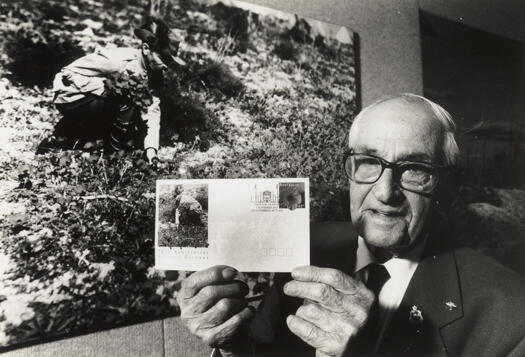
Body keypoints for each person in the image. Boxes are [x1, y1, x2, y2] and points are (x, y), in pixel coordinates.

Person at [176, 94, 525, 356]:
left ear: (447, 188)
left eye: (415, 170)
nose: (386, 193)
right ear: (352, 171)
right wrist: (232, 343)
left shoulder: (509, 315)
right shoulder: (307, 248)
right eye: (368, 162)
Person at [37, 17, 185, 163]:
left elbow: (152, 109)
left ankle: (88, 138)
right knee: (126, 94)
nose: (166, 65)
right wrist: (108, 88)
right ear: (146, 49)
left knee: (127, 97)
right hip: (70, 97)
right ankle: (109, 154)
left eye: (169, 61)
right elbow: (68, 72)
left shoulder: (156, 74)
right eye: (163, 58)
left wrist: (151, 150)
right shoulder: (117, 60)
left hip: (97, 100)